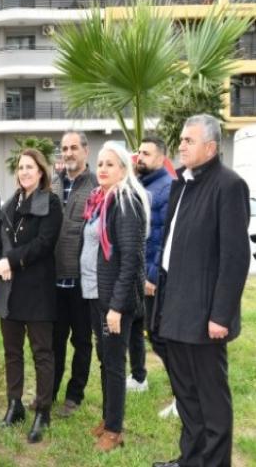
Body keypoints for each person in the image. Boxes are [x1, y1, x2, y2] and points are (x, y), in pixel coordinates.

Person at [152, 115, 250, 467]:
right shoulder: (181, 183)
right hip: (174, 309)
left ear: (210, 147)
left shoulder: (229, 185)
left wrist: (221, 315)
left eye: (188, 141)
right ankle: (190, 460)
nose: (180, 145)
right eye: (181, 139)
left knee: (211, 401)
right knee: (187, 396)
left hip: (205, 316)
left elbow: (236, 257)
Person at [81, 142, 149, 452]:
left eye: (110, 164)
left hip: (114, 301)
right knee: (105, 360)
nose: (103, 169)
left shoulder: (125, 202)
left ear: (123, 169)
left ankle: (115, 430)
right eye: (100, 163)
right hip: (97, 293)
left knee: (114, 363)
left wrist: (117, 307)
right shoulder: (101, 200)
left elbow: (132, 259)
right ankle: (109, 418)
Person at [0, 149, 62, 444]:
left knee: (42, 354)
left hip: (37, 292)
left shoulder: (51, 203)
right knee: (12, 352)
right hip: (10, 291)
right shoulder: (10, 204)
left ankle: (42, 412)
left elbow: (43, 244)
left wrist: (12, 261)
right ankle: (14, 404)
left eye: (30, 167)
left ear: (41, 172)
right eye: (20, 167)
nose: (24, 172)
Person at [50, 130, 96, 418]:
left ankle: (74, 395)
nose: (68, 153)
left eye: (74, 147)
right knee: (54, 341)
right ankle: (50, 391)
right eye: (64, 148)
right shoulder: (53, 184)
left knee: (81, 341)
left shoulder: (96, 186)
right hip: (53, 281)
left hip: (81, 281)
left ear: (85, 151)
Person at [129, 137, 176, 418]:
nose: (140, 158)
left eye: (146, 153)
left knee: (160, 337)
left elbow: (165, 237)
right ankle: (139, 378)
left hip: (152, 277)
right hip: (137, 273)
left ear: (161, 157)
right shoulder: (142, 185)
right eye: (138, 153)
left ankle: (183, 396)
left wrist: (153, 276)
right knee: (140, 329)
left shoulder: (167, 188)